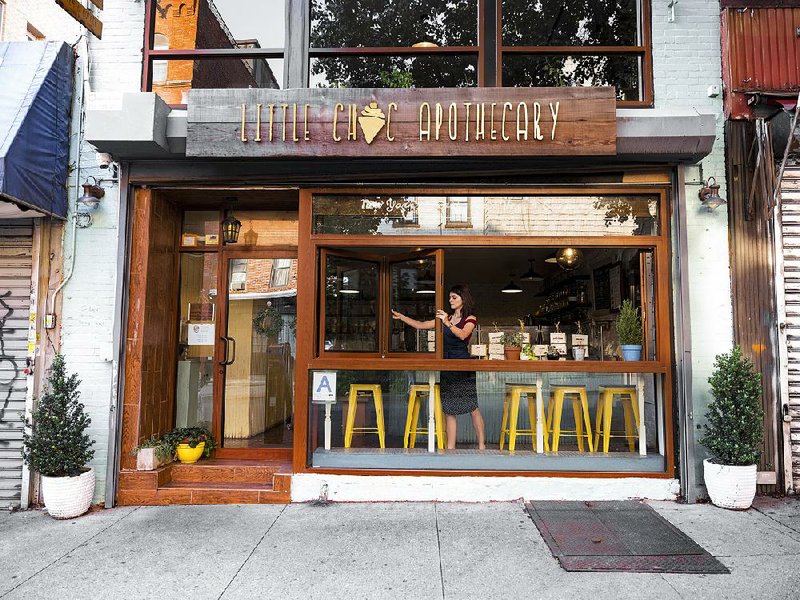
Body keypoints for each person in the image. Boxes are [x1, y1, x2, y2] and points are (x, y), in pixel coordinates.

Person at [391, 284, 486, 449]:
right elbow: (421, 325)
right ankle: (450, 448)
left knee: (472, 406)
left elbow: (463, 335)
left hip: (463, 365)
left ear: (463, 299)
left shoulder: (470, 318)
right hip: (447, 365)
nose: (450, 300)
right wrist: (402, 317)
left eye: (454, 297)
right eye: (449, 297)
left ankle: (482, 445)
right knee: (449, 409)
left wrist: (447, 323)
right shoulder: (445, 317)